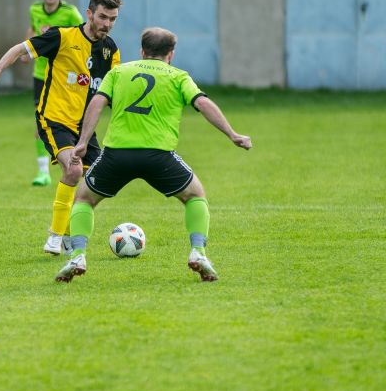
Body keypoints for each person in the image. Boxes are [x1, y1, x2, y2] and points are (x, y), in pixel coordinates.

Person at [54, 27, 252, 283]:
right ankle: (198, 252)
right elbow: (202, 103)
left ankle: (77, 255)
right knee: (195, 196)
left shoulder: (119, 72)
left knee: (83, 199)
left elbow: (97, 101)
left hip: (117, 154)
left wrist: (82, 142)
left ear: (142, 51)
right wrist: (232, 134)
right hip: (159, 156)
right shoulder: (179, 76)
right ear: (171, 54)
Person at [0, 0, 122, 256]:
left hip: (85, 128)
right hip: (54, 119)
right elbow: (19, 49)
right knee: (74, 170)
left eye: (113, 19)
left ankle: (68, 235)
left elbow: (112, 93)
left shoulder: (110, 50)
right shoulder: (62, 36)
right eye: (103, 17)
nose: (107, 24)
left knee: (94, 182)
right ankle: (55, 237)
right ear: (89, 14)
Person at [26, 0, 84, 187]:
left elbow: (83, 38)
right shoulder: (34, 9)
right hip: (41, 76)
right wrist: (27, 50)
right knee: (39, 124)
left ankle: (76, 163)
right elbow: (32, 29)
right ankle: (43, 172)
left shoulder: (71, 13)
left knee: (70, 121)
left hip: (66, 78)